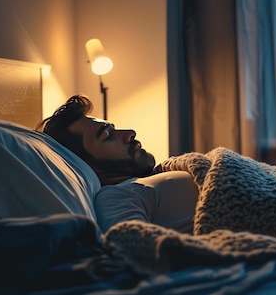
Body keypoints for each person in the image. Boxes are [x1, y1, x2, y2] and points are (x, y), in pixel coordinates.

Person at [37, 94, 198, 234]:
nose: (130, 133)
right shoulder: (114, 198)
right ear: (85, 164)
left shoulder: (146, 180)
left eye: (113, 129)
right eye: (107, 136)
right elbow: (139, 249)